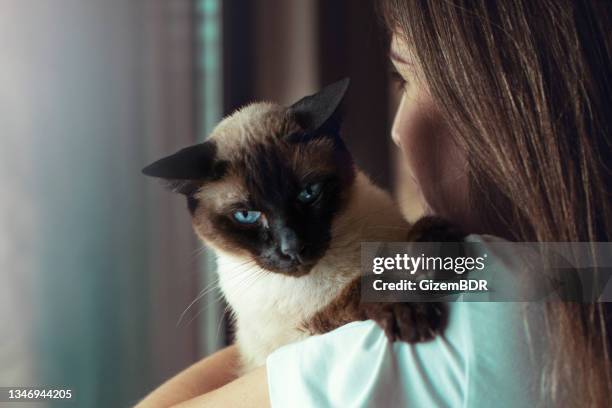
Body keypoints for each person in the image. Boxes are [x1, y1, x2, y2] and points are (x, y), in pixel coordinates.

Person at [137, 0, 611, 406]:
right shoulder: (587, 274)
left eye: (405, 81)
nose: (398, 131)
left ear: (508, 110)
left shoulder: (481, 294)